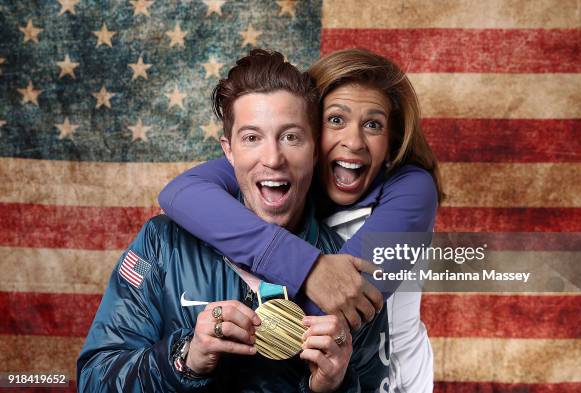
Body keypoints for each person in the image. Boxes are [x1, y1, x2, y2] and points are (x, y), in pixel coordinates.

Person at [78, 49, 388, 393]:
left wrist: (335, 386)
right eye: (252, 138)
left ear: (315, 150)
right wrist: (187, 357)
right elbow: (94, 379)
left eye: (291, 137)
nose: (272, 158)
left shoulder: (349, 275)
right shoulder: (162, 243)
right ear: (229, 151)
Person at [158, 48, 443, 393]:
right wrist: (310, 267)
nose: (353, 141)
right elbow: (181, 193)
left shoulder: (413, 190)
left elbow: (323, 307)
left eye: (372, 124)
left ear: (392, 141)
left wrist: (307, 271)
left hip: (390, 381)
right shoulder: (284, 165)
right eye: (335, 120)